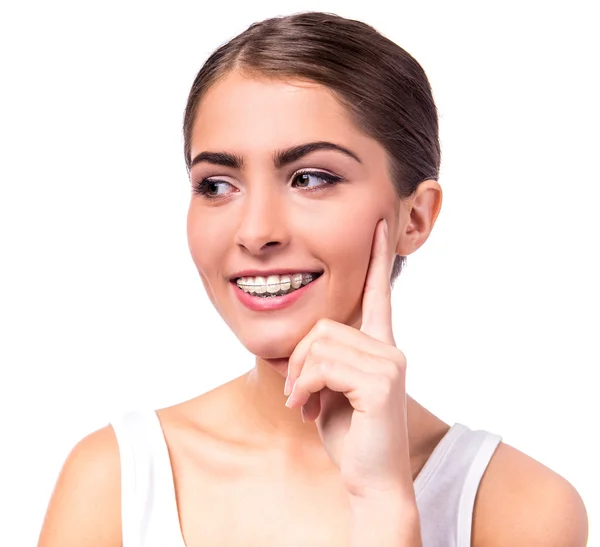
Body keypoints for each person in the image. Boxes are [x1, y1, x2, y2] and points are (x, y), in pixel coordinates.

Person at [37, 11, 588, 547]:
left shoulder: (521, 507)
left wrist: (382, 502)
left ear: (415, 218)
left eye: (311, 178)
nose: (255, 233)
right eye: (216, 185)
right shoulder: (113, 481)